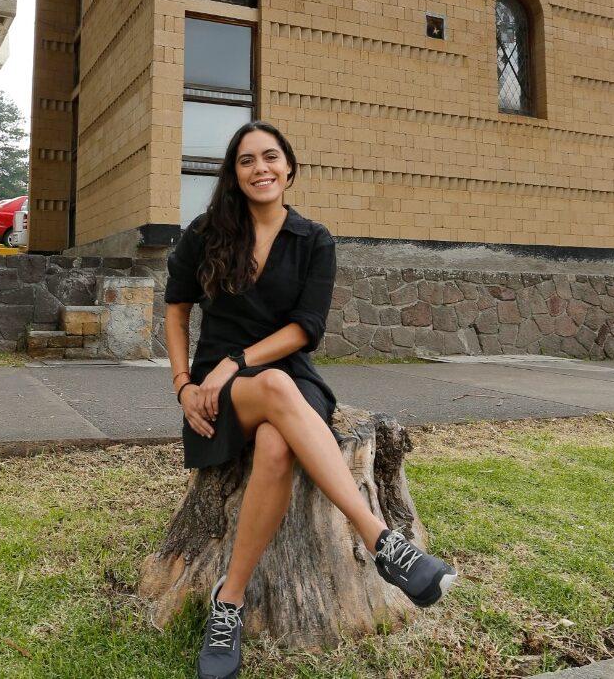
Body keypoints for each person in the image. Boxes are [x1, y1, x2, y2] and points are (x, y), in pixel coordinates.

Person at [164, 121, 457, 679]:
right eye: (246, 160)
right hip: (218, 390)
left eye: (270, 157)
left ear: (290, 168)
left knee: (277, 443)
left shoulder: (313, 239)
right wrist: (184, 385)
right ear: (234, 174)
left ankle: (229, 601)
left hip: (291, 379)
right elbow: (176, 312)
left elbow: (306, 328)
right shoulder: (205, 233)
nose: (260, 168)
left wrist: (240, 360)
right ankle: (382, 541)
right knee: (272, 390)